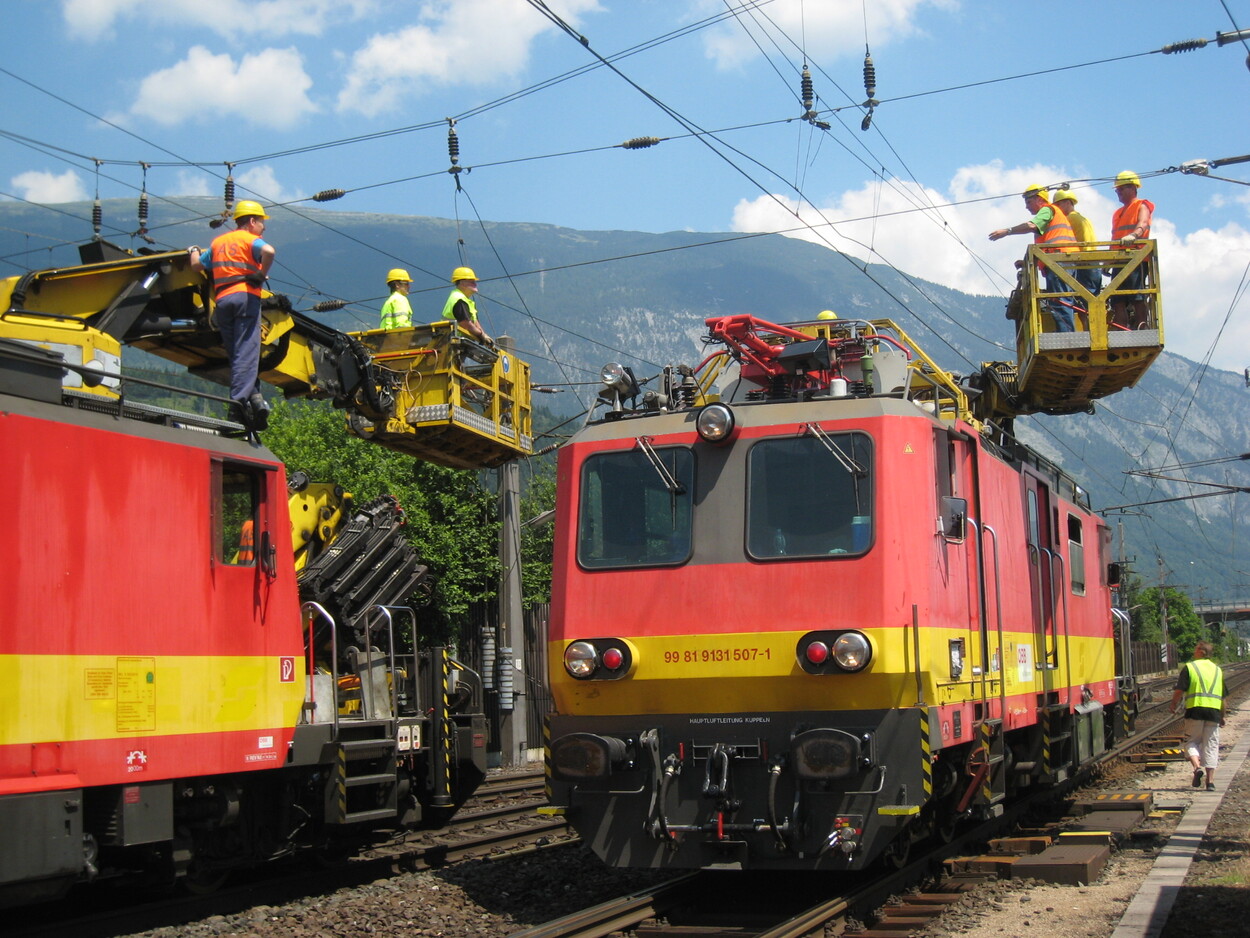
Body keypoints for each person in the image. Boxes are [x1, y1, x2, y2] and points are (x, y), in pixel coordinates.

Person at [189, 200, 276, 431]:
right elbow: (269, 251)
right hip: (245, 297)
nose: (263, 227)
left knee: (237, 355)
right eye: (261, 222)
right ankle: (236, 406)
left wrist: (193, 250)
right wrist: (260, 274)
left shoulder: (218, 242)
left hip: (223, 301)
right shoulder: (249, 240)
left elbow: (197, 266)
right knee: (247, 353)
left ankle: (256, 400)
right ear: (251, 221)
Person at [988, 184, 1080, 332]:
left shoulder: (1047, 210)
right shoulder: (1051, 214)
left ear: (1039, 199)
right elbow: (1044, 245)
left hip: (1059, 261)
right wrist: (1027, 262)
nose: (1026, 207)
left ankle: (1068, 336)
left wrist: (1008, 231)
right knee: (1060, 301)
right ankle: (1067, 334)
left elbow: (1031, 226)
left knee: (1060, 301)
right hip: (1060, 261)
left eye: (1028, 202)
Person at [1170, 641, 1226, 791]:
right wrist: (1222, 715)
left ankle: (1197, 768)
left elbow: (1179, 690)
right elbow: (1223, 698)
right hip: (1213, 712)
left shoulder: (1190, 667)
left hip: (1195, 710)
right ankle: (1211, 781)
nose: (1193, 651)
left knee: (1191, 742)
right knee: (1211, 745)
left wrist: (1173, 704)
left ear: (1201, 652)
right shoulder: (1217, 670)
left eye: (1196, 649)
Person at [1107, 171, 1155, 329]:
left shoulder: (1142, 205)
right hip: (1119, 260)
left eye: (1121, 189)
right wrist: (1108, 260)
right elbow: (1115, 237)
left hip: (1136, 258)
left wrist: (1134, 235)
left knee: (1136, 294)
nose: (1118, 193)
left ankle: (1142, 325)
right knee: (1116, 298)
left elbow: (1143, 224)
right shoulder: (1117, 213)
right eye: (1117, 190)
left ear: (1133, 188)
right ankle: (1121, 326)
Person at [1052, 188, 1101, 325]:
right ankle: (1092, 330)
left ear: (1068, 202)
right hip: (1093, 262)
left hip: (1083, 263)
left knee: (1082, 304)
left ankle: (1089, 332)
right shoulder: (1082, 218)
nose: (1057, 209)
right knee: (1091, 301)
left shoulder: (1070, 219)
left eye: (1058, 205)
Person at [442, 266, 491, 344]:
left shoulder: (467, 301)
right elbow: (466, 324)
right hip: (450, 341)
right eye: (471, 281)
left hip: (457, 342)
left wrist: (484, 335)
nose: (475, 284)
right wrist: (481, 335)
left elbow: (475, 322)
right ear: (462, 283)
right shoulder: (458, 299)